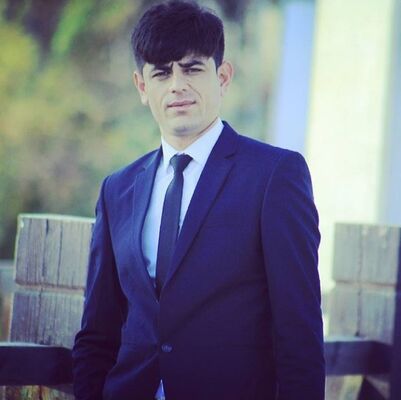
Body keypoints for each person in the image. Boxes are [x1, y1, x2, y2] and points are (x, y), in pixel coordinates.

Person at [72, 1, 325, 399]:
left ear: (222, 77)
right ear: (142, 87)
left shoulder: (274, 176)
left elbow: (299, 330)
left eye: (192, 68)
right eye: (161, 72)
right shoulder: (117, 190)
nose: (177, 85)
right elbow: (97, 333)